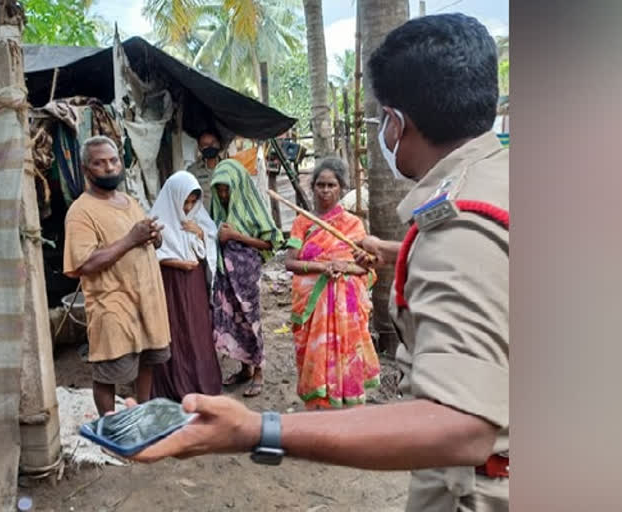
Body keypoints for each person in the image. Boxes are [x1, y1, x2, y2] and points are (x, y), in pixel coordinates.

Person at [123, 13, 509, 511]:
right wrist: (398, 250)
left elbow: (462, 427)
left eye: (379, 123)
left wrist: (255, 430)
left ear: (396, 121)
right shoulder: (501, 180)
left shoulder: (459, 224)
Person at [63, 135, 171, 415]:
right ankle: (110, 430)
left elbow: (144, 238)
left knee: (148, 360)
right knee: (108, 371)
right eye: (100, 163)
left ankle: (142, 417)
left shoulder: (129, 201)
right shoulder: (81, 211)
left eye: (113, 161)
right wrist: (131, 240)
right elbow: (85, 263)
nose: (110, 168)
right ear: (87, 170)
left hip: (146, 299)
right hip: (112, 302)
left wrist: (154, 237)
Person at [284, 157, 381, 409]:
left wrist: (343, 267)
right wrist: (323, 267)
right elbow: (290, 262)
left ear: (341, 188)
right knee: (315, 357)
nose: (325, 191)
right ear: (313, 187)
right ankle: (320, 407)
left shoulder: (353, 224)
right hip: (313, 305)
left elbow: (365, 266)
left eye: (331, 185)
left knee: (348, 354)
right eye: (320, 185)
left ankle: (347, 403)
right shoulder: (302, 222)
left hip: (346, 307)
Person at [209, 159, 283, 397]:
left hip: (246, 274)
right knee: (233, 320)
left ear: (237, 186)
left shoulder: (252, 207)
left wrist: (236, 236)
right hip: (224, 275)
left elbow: (271, 241)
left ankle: (259, 371)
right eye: (219, 189)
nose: (222, 195)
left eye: (226, 189)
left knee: (251, 320)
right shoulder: (217, 210)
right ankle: (245, 369)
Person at [148, 171, 223, 401]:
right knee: (175, 328)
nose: (189, 207)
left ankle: (201, 380)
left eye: (193, 201)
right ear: (173, 198)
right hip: (171, 281)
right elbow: (150, 256)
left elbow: (209, 243)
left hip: (194, 282)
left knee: (197, 327)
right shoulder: (157, 220)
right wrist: (177, 262)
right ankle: (176, 382)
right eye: (185, 201)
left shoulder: (199, 216)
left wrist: (201, 233)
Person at [186, 131, 223, 211]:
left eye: (213, 143)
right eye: (205, 145)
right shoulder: (192, 171)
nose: (210, 147)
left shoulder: (228, 168)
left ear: (219, 144)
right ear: (200, 148)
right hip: (202, 218)